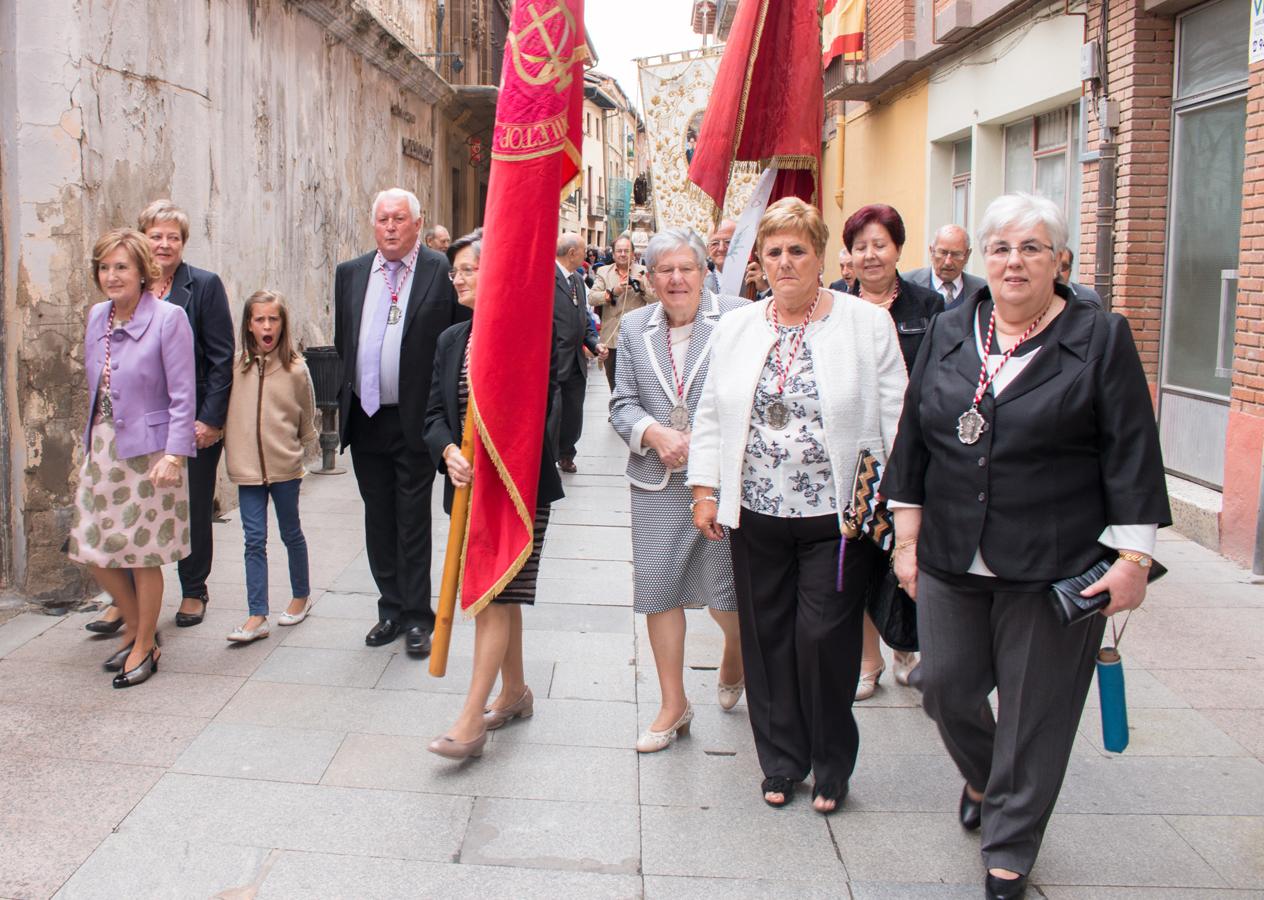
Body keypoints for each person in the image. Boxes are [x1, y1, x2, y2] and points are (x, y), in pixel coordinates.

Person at [882, 193, 1170, 900]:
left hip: (1054, 558)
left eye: (1032, 248)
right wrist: (906, 541)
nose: (1014, 261)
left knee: (1037, 711)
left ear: (1059, 261)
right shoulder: (952, 329)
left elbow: (1130, 450)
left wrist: (1133, 558)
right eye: (1002, 248)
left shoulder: (1099, 337)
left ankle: (1009, 843)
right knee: (944, 686)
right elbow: (915, 439)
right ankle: (986, 776)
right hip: (951, 552)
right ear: (985, 258)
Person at [688, 198, 907, 813]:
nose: (785, 263)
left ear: (819, 256)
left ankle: (832, 763)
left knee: (822, 638)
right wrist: (706, 489)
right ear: (759, 260)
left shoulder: (865, 325)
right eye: (773, 252)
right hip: (756, 513)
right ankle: (781, 761)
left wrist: (904, 504)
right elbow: (711, 414)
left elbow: (897, 416)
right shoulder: (736, 326)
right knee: (767, 639)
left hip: (835, 519)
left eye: (797, 250)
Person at [423, 229, 565, 760]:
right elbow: (433, 414)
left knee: (496, 596)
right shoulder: (449, 340)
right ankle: (515, 692)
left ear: (496, 272)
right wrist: (447, 453)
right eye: (454, 270)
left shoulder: (528, 335)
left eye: (468, 269)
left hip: (517, 490)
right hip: (466, 493)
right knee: (497, 595)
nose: (456, 278)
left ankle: (470, 718)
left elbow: (540, 406)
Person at [610, 228, 746, 753]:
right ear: (649, 277)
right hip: (657, 478)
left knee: (726, 587)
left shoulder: (736, 317)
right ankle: (673, 704)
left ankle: (734, 647)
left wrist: (708, 442)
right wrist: (653, 432)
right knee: (659, 590)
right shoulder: (635, 328)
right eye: (664, 270)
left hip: (719, 479)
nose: (675, 279)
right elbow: (622, 402)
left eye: (686, 268)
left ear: (703, 272)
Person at [84, 201, 234, 634]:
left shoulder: (201, 287)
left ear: (182, 243)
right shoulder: (116, 300)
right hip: (131, 425)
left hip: (191, 422)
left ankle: (192, 588)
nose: (164, 243)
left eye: (173, 236)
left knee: (192, 509)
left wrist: (208, 420)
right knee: (129, 520)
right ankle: (127, 604)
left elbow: (220, 360)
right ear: (143, 241)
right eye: (157, 235)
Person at [334, 188, 466, 658]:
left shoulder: (439, 271)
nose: (390, 227)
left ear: (417, 222)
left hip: (415, 419)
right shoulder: (350, 273)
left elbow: (456, 342)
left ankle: (416, 616)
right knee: (377, 518)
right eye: (383, 219)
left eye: (399, 219)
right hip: (366, 417)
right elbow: (343, 341)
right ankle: (388, 608)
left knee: (412, 520)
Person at [67, 229, 196, 688]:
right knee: (91, 546)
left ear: (143, 271)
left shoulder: (168, 318)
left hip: (152, 455)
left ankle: (144, 643)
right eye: (104, 267)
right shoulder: (97, 315)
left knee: (143, 555)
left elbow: (184, 395)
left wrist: (176, 455)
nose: (111, 275)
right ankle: (137, 623)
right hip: (103, 447)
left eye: (121, 266)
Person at [843, 203, 944, 697]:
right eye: (860, 247)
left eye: (879, 245)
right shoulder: (835, 303)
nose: (870, 255)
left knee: (906, 549)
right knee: (860, 553)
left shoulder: (928, 308)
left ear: (898, 249)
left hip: (913, 451)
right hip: (854, 456)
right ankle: (868, 659)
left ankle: (907, 644)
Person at [222, 291, 318, 643]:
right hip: (246, 468)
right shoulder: (235, 367)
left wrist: (302, 445)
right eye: (259, 319)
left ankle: (301, 595)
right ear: (248, 324)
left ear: (282, 324)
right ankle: (256, 615)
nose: (266, 326)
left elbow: (306, 416)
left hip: (284, 469)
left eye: (273, 319)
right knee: (253, 540)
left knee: (291, 533)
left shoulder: (295, 369)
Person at [552, 233, 605, 473]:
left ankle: (567, 452)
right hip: (553, 362)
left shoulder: (577, 279)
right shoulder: (546, 278)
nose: (586, 256)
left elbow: (583, 320)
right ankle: (549, 455)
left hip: (575, 361)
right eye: (583, 251)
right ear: (572, 253)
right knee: (554, 413)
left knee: (574, 412)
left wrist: (594, 344)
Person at [589, 233, 656, 391]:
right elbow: (592, 298)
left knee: (638, 386)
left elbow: (657, 300)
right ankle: (616, 415)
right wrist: (613, 292)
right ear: (613, 253)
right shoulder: (603, 272)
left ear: (633, 253)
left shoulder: (644, 272)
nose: (623, 254)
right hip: (612, 339)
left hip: (638, 338)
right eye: (619, 251)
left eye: (626, 251)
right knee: (614, 385)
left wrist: (643, 289)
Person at [905, 224, 986, 312]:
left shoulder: (983, 290)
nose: (948, 262)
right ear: (931, 252)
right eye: (943, 253)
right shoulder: (906, 284)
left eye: (956, 254)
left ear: (967, 256)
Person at [703, 219, 736, 295]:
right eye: (715, 243)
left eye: (728, 242)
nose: (721, 248)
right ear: (708, 249)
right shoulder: (699, 280)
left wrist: (763, 290)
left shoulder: (751, 278)